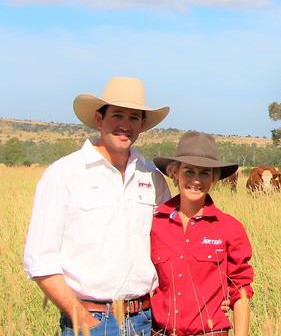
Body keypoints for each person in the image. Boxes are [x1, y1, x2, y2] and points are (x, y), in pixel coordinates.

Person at [23, 76, 172, 335]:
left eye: (134, 118)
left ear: (142, 125)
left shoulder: (152, 178)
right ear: (99, 119)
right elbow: (40, 260)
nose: (125, 125)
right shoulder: (64, 174)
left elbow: (171, 245)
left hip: (146, 319)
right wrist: (81, 317)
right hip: (92, 320)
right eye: (117, 115)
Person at [151, 131, 254, 336]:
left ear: (214, 178)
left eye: (205, 173)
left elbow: (240, 288)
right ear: (174, 172)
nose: (196, 180)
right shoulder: (154, 224)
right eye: (189, 171)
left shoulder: (229, 228)